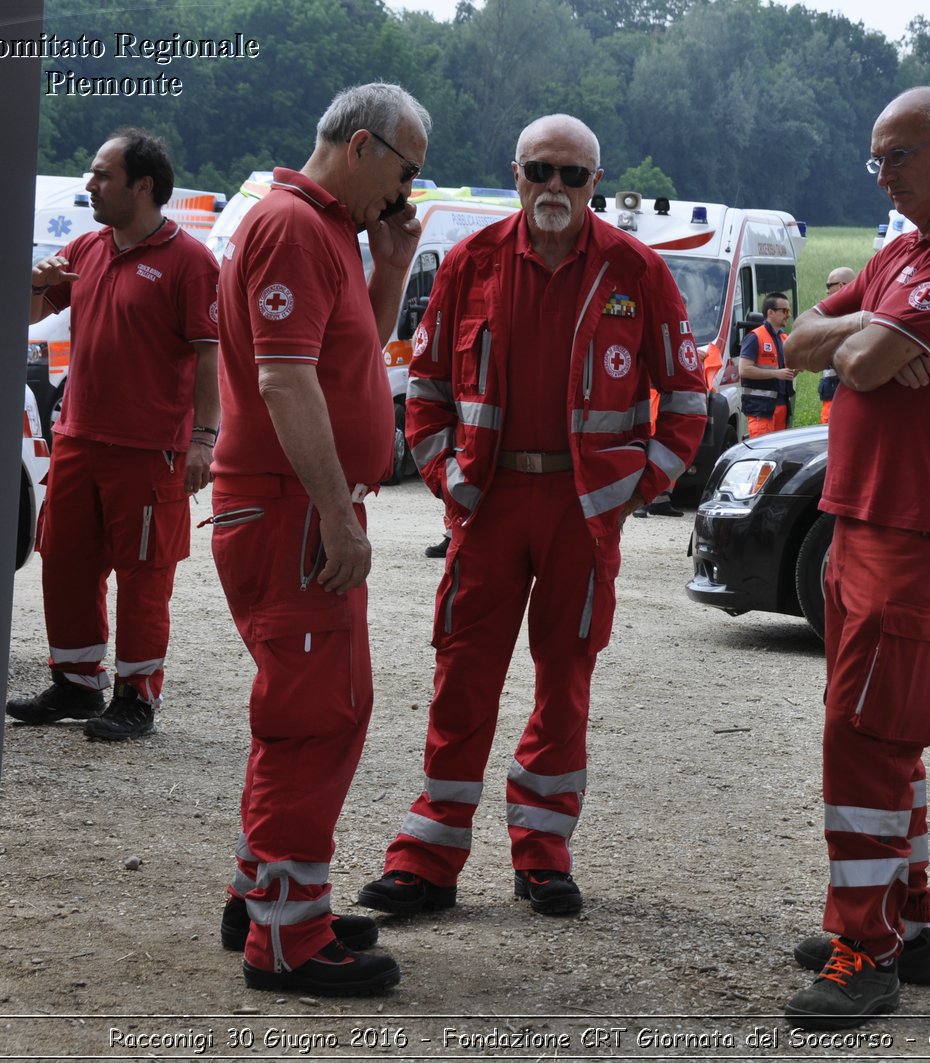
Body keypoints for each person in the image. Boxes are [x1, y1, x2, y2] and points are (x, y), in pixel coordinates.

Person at [357, 114, 707, 920]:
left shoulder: (638, 272)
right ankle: (429, 858)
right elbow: (427, 385)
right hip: (489, 503)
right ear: (516, 174)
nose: (555, 188)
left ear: (597, 184)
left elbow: (687, 402)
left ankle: (542, 852)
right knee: (462, 675)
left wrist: (637, 488)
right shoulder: (472, 264)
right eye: (541, 171)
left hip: (583, 512)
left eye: (573, 176)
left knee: (565, 679)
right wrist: (447, 475)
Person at [778, 87, 930, 1030]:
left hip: (915, 527)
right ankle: (904, 924)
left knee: (865, 736)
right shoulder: (906, 249)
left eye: (899, 156)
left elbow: (870, 362)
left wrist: (866, 342)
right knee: (886, 735)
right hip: (863, 517)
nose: (884, 174)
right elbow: (803, 342)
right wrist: (860, 335)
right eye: (875, 161)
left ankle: (866, 950)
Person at [208, 82, 430, 996]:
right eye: (408, 169)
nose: (408, 188)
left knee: (305, 705)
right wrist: (336, 510)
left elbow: (354, 350)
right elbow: (286, 381)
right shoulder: (295, 225)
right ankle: (287, 936)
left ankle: (262, 896)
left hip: (292, 504)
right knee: (317, 712)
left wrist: (394, 263)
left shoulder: (328, 225)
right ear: (366, 145)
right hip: (291, 509)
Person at [6, 129, 220, 742]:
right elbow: (21, 312)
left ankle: (135, 698)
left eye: (103, 175)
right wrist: (32, 281)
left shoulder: (191, 262)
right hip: (79, 438)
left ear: (143, 186)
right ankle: (75, 683)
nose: (90, 185)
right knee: (66, 563)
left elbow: (210, 358)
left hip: (149, 449)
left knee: (145, 572)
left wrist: (203, 439)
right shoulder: (88, 248)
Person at [738, 292, 796, 436]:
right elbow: (744, 370)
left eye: (789, 311)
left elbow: (785, 373)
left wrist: (797, 369)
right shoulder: (754, 337)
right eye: (785, 311)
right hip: (761, 409)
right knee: (762, 454)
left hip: (781, 407)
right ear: (770, 312)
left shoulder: (784, 338)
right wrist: (776, 373)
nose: (788, 315)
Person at [818, 267, 857, 424]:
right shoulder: (861, 313)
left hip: (837, 398)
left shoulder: (840, 319)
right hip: (845, 396)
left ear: (841, 286)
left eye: (829, 285)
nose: (827, 291)